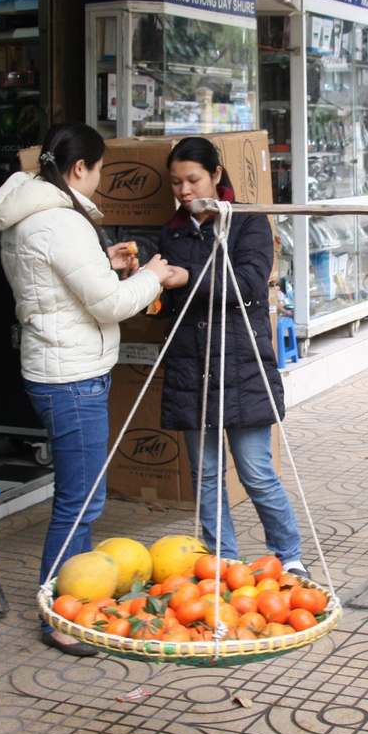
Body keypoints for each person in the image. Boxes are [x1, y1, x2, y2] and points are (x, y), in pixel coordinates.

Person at [0, 122, 180, 656]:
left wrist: (108, 264)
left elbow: (59, 286)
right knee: (79, 502)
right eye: (97, 170)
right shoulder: (60, 224)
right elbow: (109, 305)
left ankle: (76, 602)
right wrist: (151, 276)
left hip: (57, 369)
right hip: (71, 379)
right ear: (79, 169)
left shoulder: (31, 219)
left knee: (79, 497)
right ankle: (58, 615)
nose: (98, 180)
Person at [157, 138, 307, 576]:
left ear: (216, 175)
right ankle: (222, 563)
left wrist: (186, 278)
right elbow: (172, 299)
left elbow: (248, 283)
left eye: (193, 179)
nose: (184, 190)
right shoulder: (174, 229)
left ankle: (290, 555)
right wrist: (147, 280)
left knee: (257, 471)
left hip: (242, 364)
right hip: (191, 364)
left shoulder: (247, 221)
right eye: (176, 183)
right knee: (206, 475)